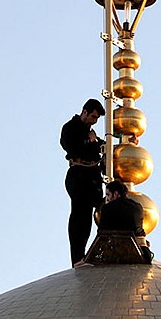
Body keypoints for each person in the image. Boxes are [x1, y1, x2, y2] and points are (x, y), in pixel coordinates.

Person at [60, 98, 105, 267]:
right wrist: (92, 144)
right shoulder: (70, 129)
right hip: (79, 175)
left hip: (92, 178)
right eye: (93, 117)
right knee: (80, 215)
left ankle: (93, 253)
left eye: (96, 119)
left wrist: (125, 140)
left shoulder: (91, 133)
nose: (94, 121)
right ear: (84, 112)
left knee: (98, 213)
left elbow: (103, 146)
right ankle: (78, 257)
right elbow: (73, 148)